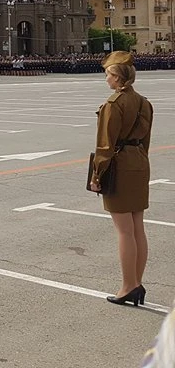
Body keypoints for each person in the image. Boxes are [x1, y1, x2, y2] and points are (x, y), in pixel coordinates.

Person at [89, 51, 154, 306]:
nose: (106, 79)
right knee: (137, 227)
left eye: (108, 74)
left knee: (124, 231)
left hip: (119, 164)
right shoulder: (144, 102)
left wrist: (97, 174)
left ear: (117, 78)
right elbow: (146, 140)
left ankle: (128, 286)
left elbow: (106, 145)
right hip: (139, 160)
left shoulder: (113, 104)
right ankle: (136, 282)